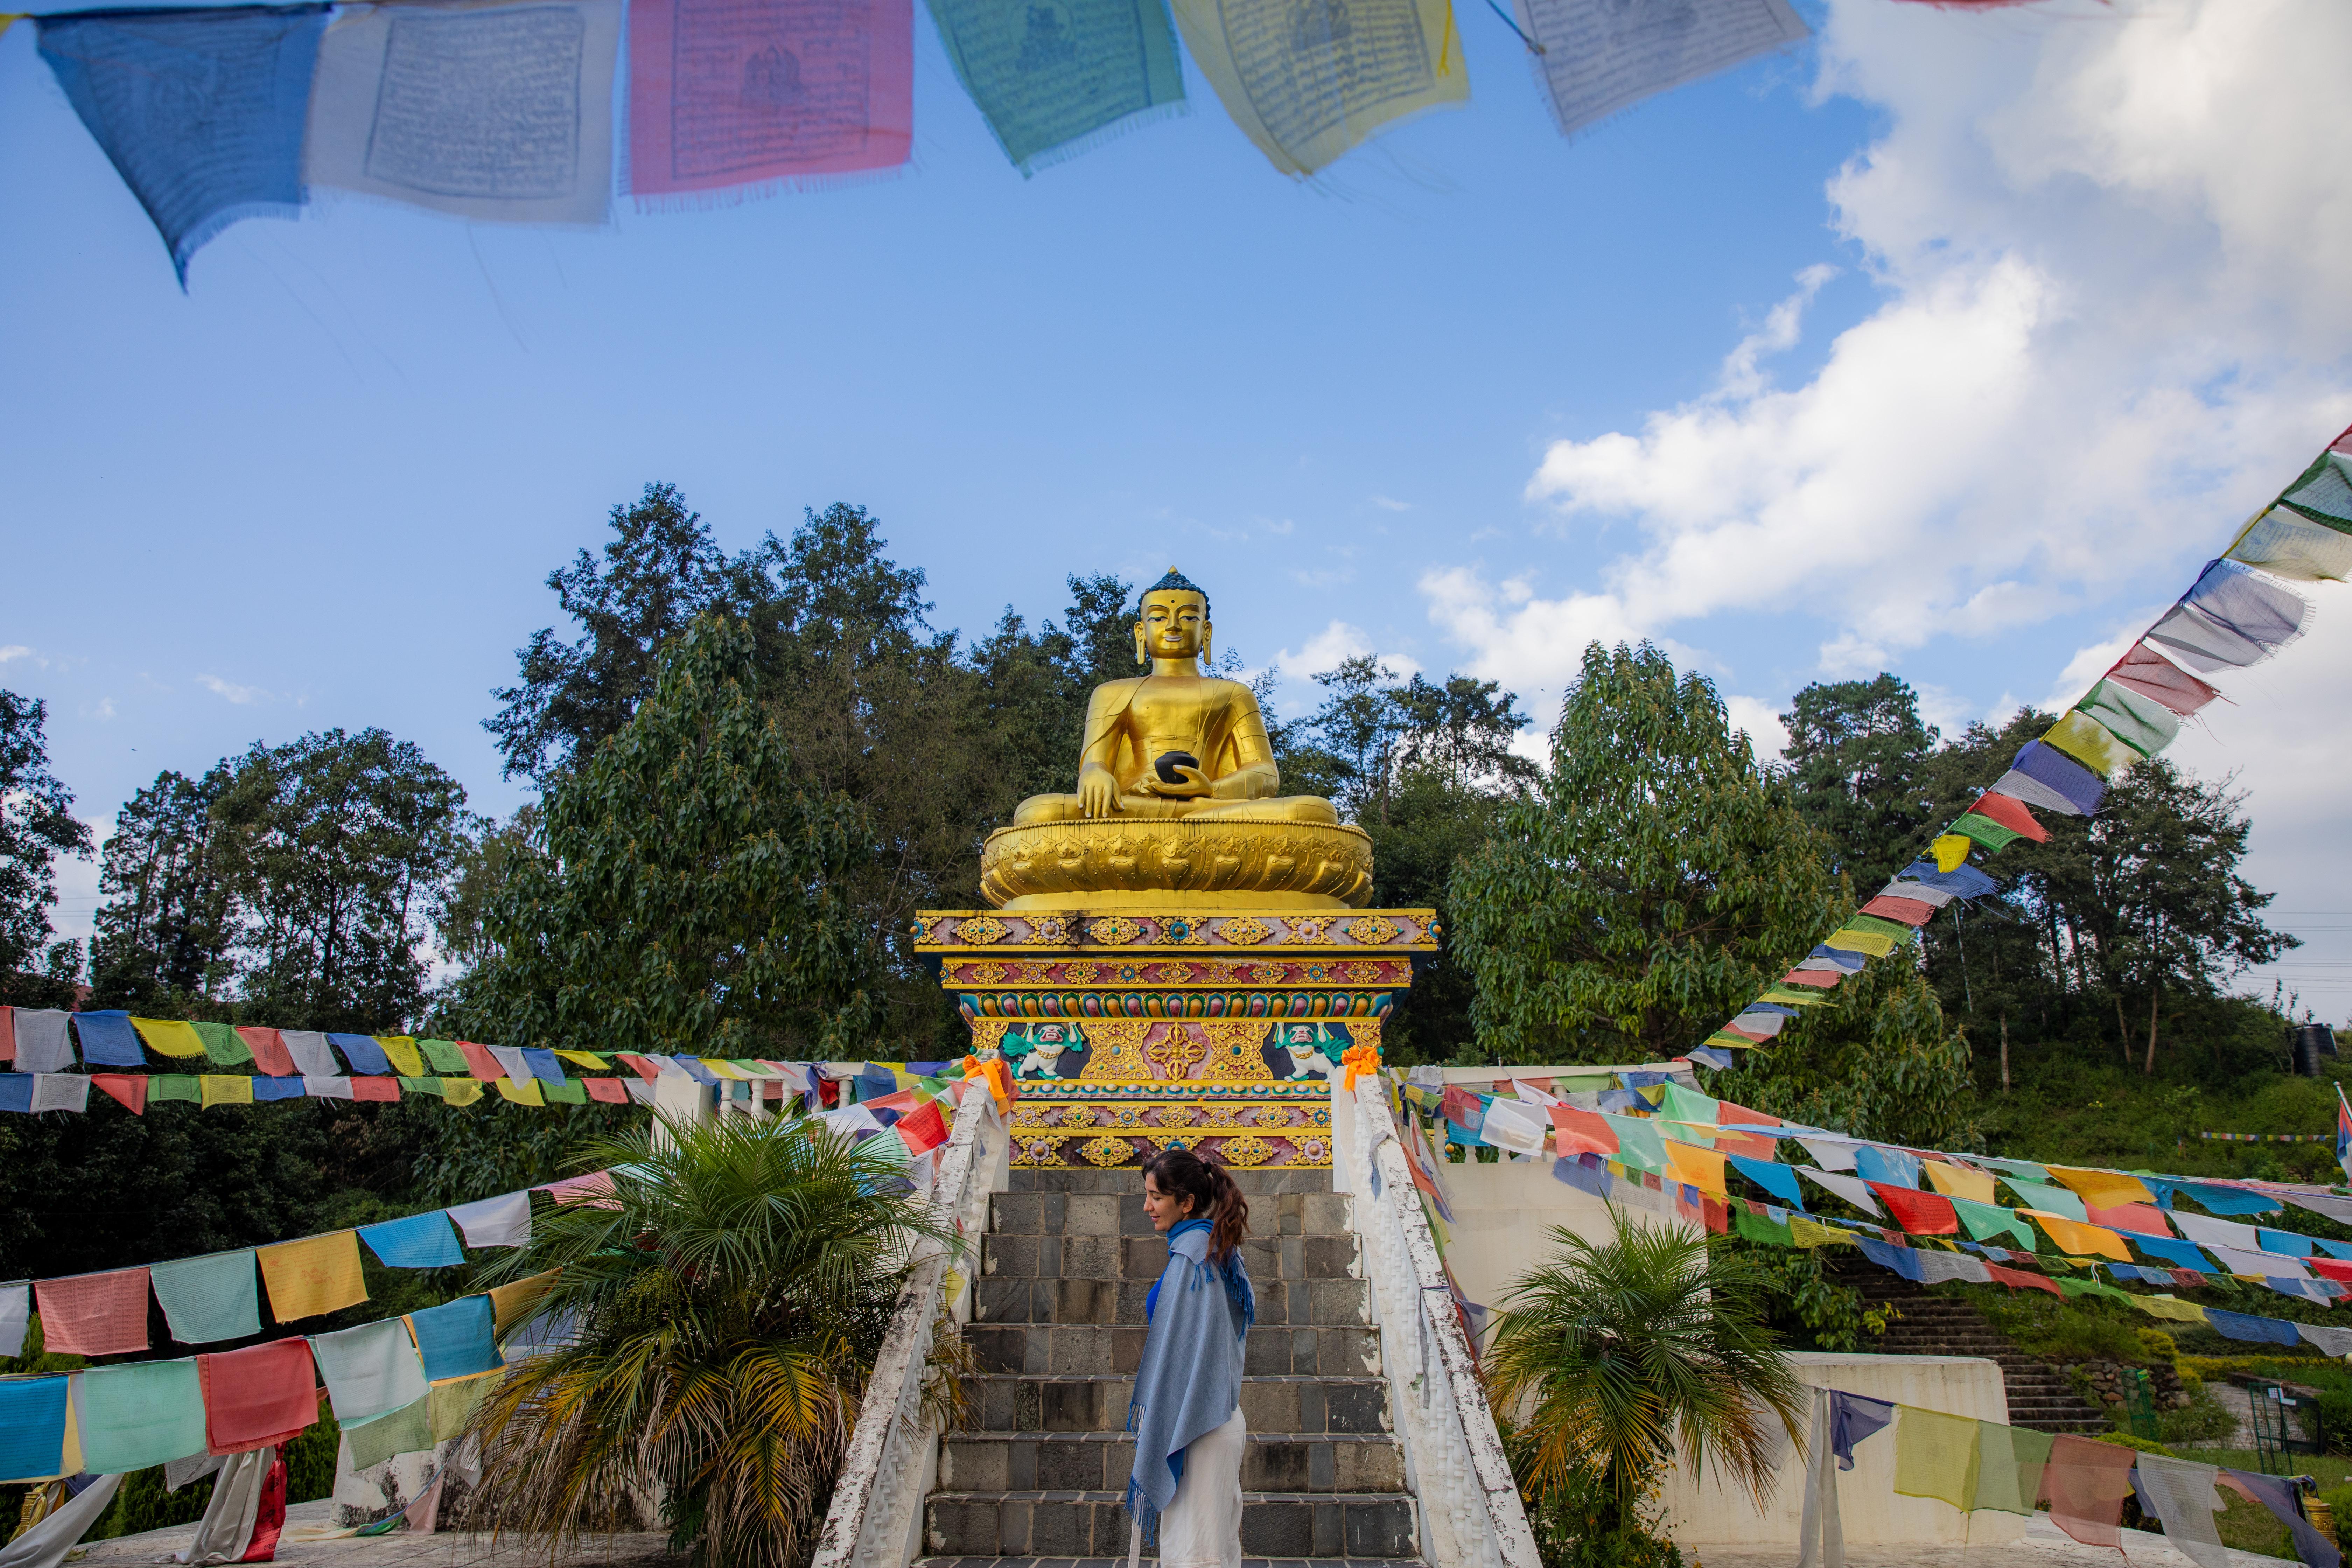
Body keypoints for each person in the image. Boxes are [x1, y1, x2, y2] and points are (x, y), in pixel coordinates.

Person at [1126, 1148, 1255, 1568]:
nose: (1147, 1207)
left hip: (1198, 1425)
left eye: (1156, 1197)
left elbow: (1195, 1356)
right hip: (1207, 1419)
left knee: (1199, 1556)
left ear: (1186, 1202)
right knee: (1206, 1550)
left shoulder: (1195, 1257)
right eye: (1146, 1195)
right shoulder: (1212, 1249)